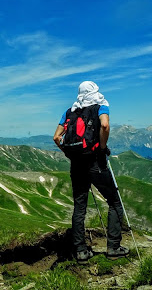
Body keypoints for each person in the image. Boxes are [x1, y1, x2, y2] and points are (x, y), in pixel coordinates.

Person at [53, 81, 129, 263]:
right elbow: (104, 126)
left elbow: (56, 137)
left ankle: (80, 251)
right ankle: (113, 247)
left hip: (76, 163)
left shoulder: (70, 111)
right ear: (95, 91)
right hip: (95, 161)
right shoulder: (101, 105)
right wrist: (102, 149)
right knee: (114, 201)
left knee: (80, 207)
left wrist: (68, 153)